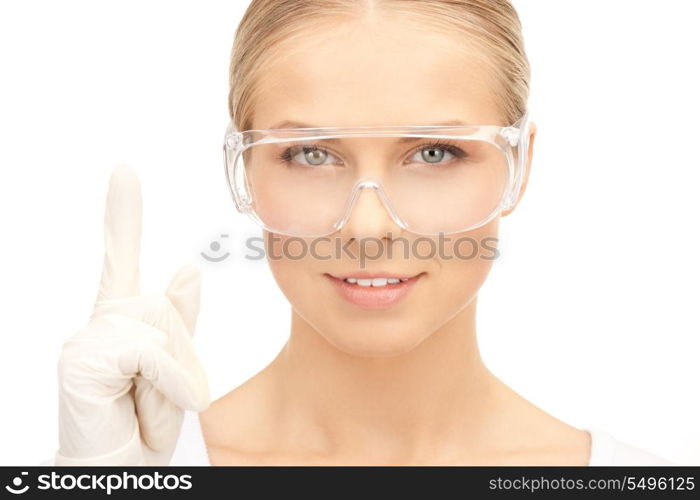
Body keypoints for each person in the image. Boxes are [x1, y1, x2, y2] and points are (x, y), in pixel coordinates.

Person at [50, 0, 674, 466]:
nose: (368, 229)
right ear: (244, 166)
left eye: (434, 153)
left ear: (522, 164)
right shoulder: (134, 463)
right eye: (312, 154)